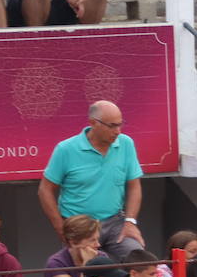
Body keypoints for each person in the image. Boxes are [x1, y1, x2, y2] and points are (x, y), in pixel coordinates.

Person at [38, 100, 142, 260]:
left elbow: (134, 186)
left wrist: (130, 222)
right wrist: (61, 229)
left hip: (115, 221)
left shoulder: (126, 143)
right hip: (80, 226)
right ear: (93, 123)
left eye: (120, 125)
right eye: (112, 126)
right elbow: (45, 190)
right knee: (91, 273)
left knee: (141, 260)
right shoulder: (66, 149)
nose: (118, 131)